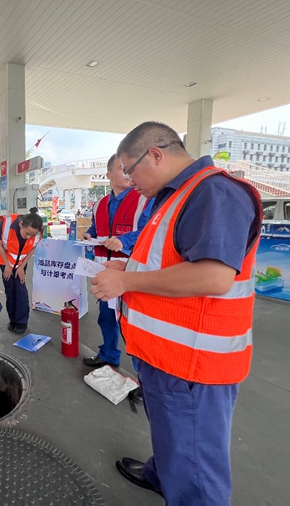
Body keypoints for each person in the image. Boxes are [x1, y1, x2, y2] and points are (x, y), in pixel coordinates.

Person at [90, 122, 261, 504]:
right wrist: (128, 268)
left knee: (195, 464)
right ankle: (164, 474)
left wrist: (126, 282)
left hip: (192, 365)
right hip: (164, 357)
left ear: (155, 155)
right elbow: (169, 262)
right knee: (173, 437)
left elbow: (213, 276)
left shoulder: (212, 192)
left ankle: (182, 486)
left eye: (130, 170)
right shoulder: (176, 197)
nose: (130, 181)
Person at [82, 155, 152, 369]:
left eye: (129, 168)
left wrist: (124, 241)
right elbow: (95, 228)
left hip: (132, 273)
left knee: (135, 325)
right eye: (122, 169)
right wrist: (89, 234)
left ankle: (144, 376)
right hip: (104, 271)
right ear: (109, 175)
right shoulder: (99, 204)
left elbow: (150, 232)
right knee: (106, 318)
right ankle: (109, 355)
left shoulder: (144, 199)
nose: (128, 173)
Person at [0, 207, 43, 334]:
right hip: (5, 261)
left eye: (32, 235)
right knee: (10, 288)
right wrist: (7, 266)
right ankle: (13, 320)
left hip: (21, 262)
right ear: (21, 224)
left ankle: (21, 321)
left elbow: (32, 248)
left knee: (20, 288)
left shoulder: (38, 231)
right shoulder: (5, 224)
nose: (28, 237)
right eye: (27, 233)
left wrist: (21, 267)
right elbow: (0, 245)